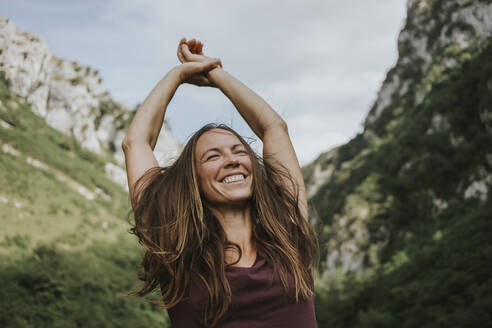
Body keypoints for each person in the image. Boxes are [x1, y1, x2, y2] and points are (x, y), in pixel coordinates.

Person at [122, 38, 319, 327]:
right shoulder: (177, 248)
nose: (232, 160)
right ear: (193, 181)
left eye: (239, 151)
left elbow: (273, 127)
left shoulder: (288, 229)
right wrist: (179, 74)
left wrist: (214, 71)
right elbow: (136, 142)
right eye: (213, 156)